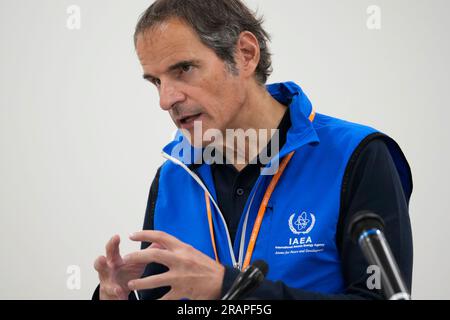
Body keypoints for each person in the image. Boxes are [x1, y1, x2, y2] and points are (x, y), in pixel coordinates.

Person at [93, 0, 413, 300]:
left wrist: (229, 288)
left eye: (184, 69)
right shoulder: (172, 178)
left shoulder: (359, 155)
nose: (166, 100)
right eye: (156, 82)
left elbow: (384, 296)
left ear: (245, 54)